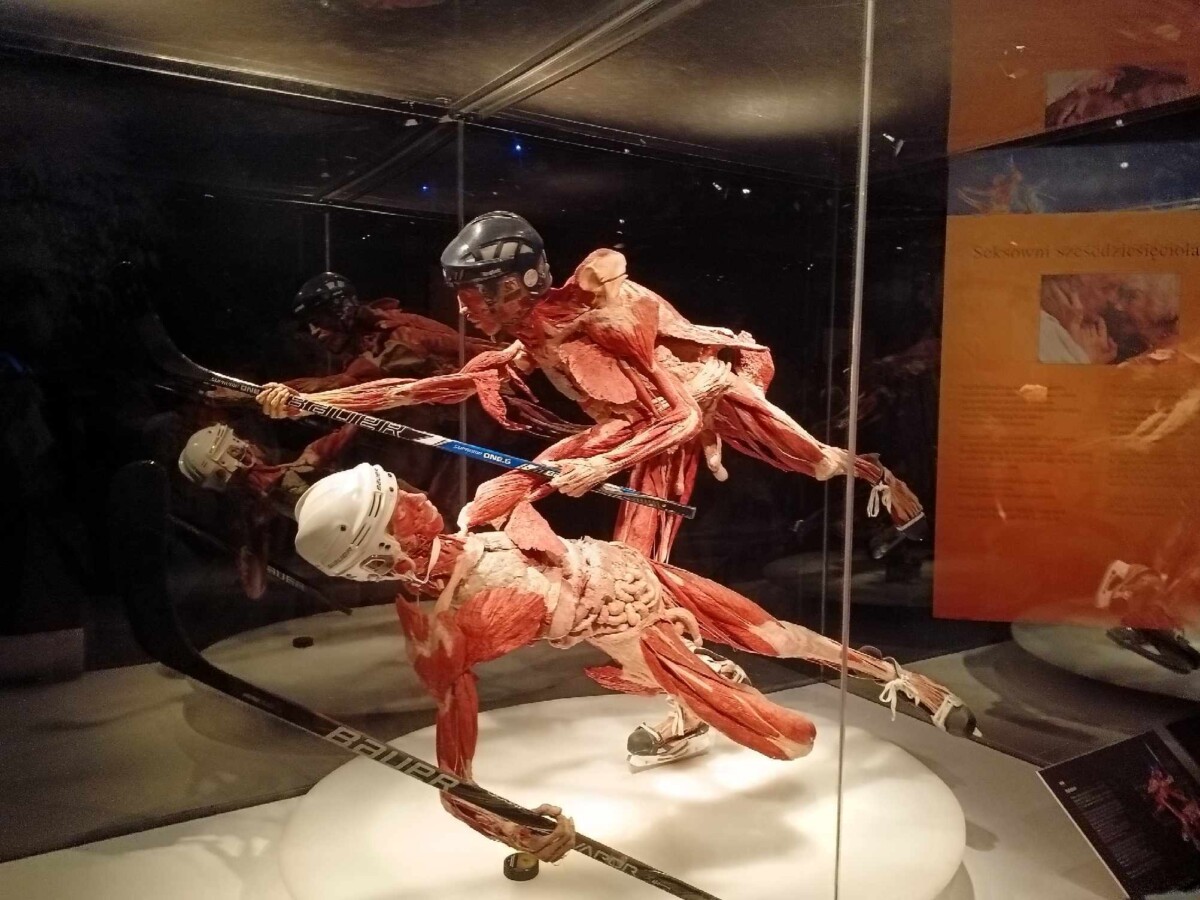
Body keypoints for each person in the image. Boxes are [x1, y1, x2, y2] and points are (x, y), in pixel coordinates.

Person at [290, 462, 974, 862]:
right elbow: (453, 775)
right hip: (637, 633)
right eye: (399, 505)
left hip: (638, 565)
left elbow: (551, 464)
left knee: (779, 637)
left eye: (404, 489)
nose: (417, 495)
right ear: (385, 551)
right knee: (789, 739)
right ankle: (693, 706)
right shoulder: (448, 626)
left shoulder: (478, 514)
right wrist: (510, 826)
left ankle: (899, 678)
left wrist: (585, 467)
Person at [256, 214, 925, 564]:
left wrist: (601, 467)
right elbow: (431, 390)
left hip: (700, 401)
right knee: (495, 497)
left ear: (512, 284)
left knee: (818, 461)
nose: (462, 309)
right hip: (630, 430)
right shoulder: (528, 342)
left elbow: (681, 414)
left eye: (473, 292)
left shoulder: (605, 317)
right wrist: (315, 403)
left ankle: (880, 479)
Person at [177, 422, 357, 597]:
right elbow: (255, 587)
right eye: (242, 443)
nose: (250, 442)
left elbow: (255, 587)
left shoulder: (258, 505)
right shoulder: (262, 503)